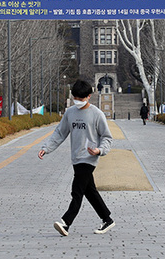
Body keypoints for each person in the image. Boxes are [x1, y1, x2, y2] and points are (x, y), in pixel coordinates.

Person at [38, 79, 115, 236]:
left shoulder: (97, 114)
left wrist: (100, 150)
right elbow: (60, 133)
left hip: (89, 157)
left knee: (77, 191)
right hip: (76, 157)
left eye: (81, 98)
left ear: (89, 96)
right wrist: (46, 148)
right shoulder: (70, 112)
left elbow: (107, 137)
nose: (78, 101)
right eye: (76, 98)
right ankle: (107, 219)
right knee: (89, 191)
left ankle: (66, 222)